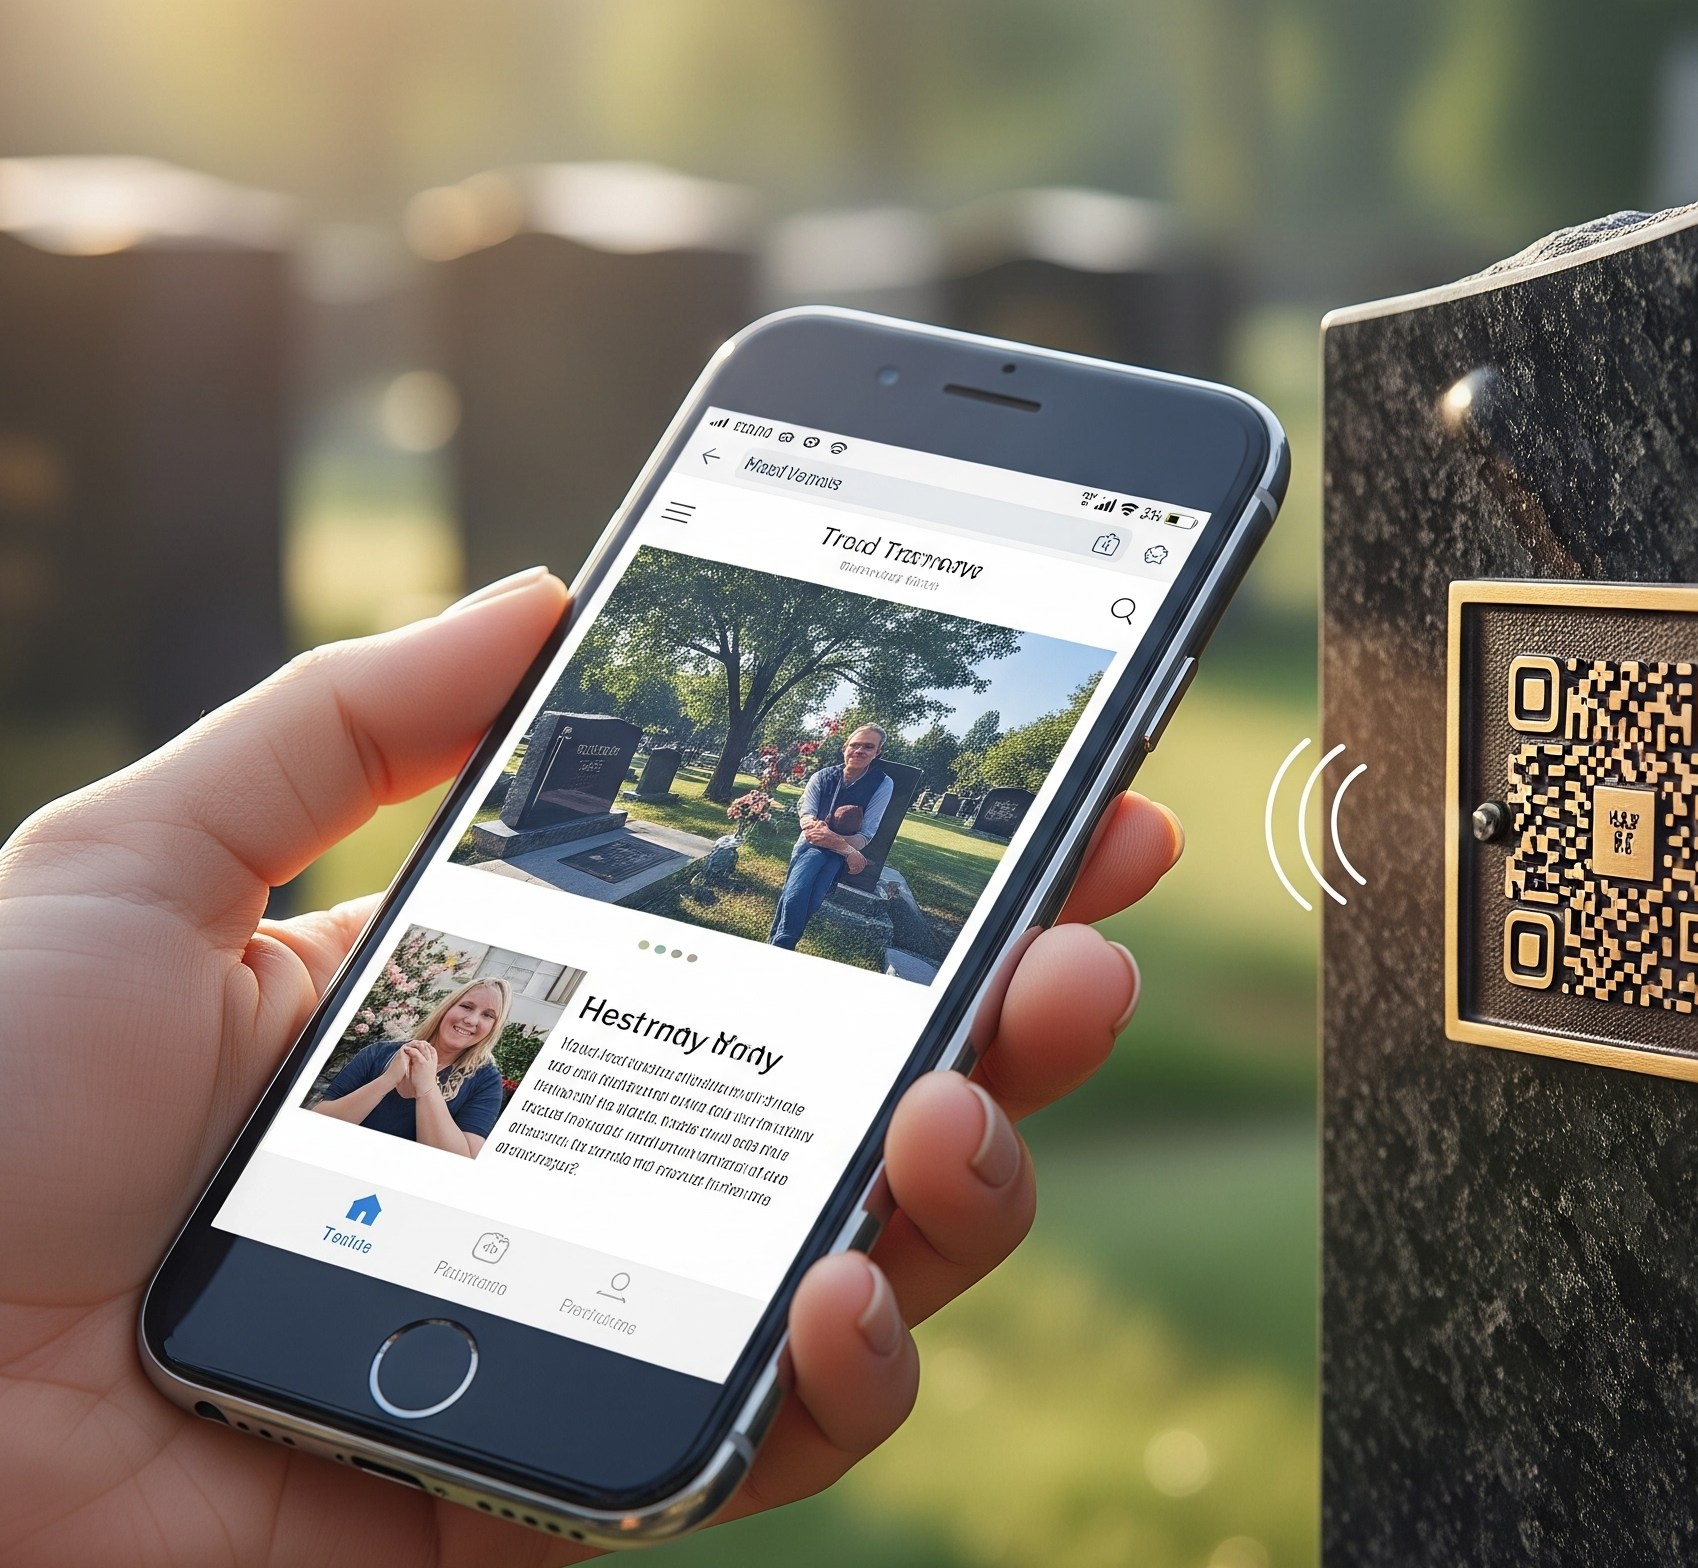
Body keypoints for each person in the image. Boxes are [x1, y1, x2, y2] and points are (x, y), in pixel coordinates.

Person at [0, 565, 1180, 1565]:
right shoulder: (391, 1044)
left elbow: (857, 849)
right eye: (466, 1006)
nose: (470, 1019)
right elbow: (822, 830)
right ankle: (780, 950)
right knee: (814, 900)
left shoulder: (477, 1079)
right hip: (214, 1314)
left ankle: (782, 963)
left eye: (481, 1011)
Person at [311, 976, 513, 1157]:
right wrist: (387, 1080)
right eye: (467, 1006)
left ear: (494, 1028)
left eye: (488, 1015)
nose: (471, 1020)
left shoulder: (486, 1081)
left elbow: (461, 1161)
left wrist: (427, 1088)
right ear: (447, 1008)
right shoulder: (378, 1053)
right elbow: (317, 1121)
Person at [769, 722, 896, 951]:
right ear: (845, 747)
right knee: (797, 893)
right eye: (855, 745)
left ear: (877, 753)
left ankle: (778, 944)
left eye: (868, 747)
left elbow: (865, 834)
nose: (859, 751)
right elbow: (808, 823)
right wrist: (847, 850)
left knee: (806, 897)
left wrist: (839, 845)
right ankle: (782, 945)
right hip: (810, 847)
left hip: (838, 853)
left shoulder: (883, 784)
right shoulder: (821, 777)